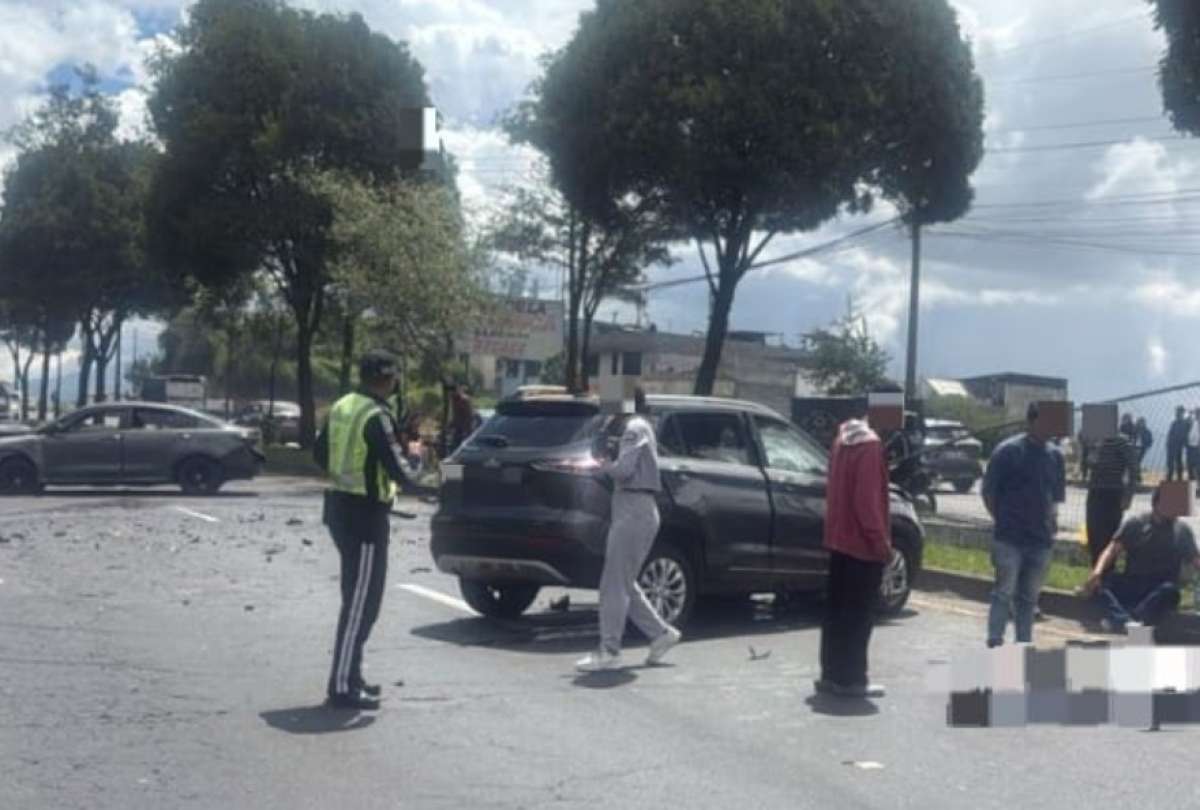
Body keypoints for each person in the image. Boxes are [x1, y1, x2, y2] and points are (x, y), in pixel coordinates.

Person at [314, 350, 422, 710]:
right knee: (362, 604)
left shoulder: (344, 405)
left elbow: (319, 454)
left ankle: (352, 675)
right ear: (389, 379)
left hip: (340, 508)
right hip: (365, 517)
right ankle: (342, 686)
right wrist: (422, 465)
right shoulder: (377, 415)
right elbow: (401, 471)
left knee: (358, 600)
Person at [577, 388, 681, 672]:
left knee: (613, 583)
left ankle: (609, 651)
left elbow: (623, 471)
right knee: (623, 582)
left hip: (634, 506)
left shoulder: (634, 427)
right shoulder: (635, 426)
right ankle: (661, 634)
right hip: (632, 507)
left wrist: (601, 465)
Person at [814, 413, 891, 699]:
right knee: (859, 617)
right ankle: (852, 679)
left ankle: (831, 674)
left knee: (836, 613)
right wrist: (881, 543)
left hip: (838, 539)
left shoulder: (843, 438)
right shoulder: (870, 447)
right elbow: (867, 502)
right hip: (862, 546)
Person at [981, 402, 1066, 647]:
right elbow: (989, 493)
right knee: (1004, 592)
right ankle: (995, 641)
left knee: (1029, 597)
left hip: (1040, 539)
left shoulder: (1055, 456)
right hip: (1009, 537)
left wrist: (1052, 524)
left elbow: (1054, 497)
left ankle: (1023, 645)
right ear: (1032, 421)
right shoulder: (1008, 451)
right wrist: (1002, 520)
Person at [1083, 488, 1200, 635]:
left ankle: (1123, 620)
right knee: (1099, 584)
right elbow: (1112, 549)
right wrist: (1097, 572)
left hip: (1160, 588)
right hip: (1133, 583)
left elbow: (1196, 560)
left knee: (1170, 591)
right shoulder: (1137, 523)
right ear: (1158, 504)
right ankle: (1129, 622)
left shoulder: (1182, 531)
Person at [1085, 429, 1139, 566]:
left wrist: (1128, 496)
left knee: (1109, 536)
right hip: (1095, 491)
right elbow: (1089, 462)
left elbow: (1133, 468)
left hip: (1112, 493)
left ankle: (1107, 576)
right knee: (1093, 535)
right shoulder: (1097, 441)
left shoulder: (1122, 441)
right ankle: (1095, 576)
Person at [448, 384, 476, 454]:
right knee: (455, 444)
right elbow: (455, 415)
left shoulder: (463, 400)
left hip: (464, 427)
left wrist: (466, 428)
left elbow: (468, 414)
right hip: (459, 426)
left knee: (461, 444)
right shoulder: (454, 399)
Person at [1166, 406, 1191, 482]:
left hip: (1179, 445)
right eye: (1177, 412)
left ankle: (1179, 478)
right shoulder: (1174, 423)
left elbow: (1187, 434)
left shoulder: (1185, 423)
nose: (1178, 413)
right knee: (1171, 463)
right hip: (1172, 445)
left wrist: (1185, 444)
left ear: (1182, 413)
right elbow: (1170, 434)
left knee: (1178, 462)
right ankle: (1170, 478)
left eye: (1180, 412)